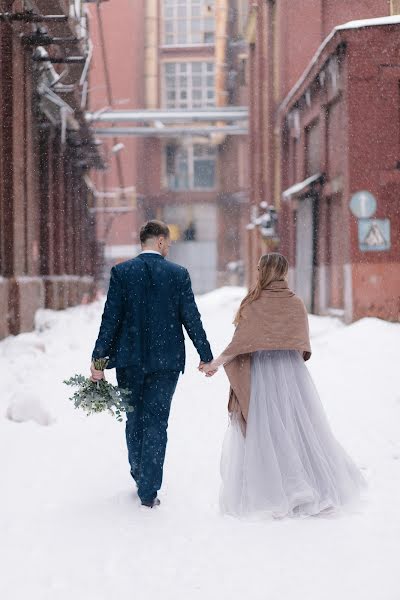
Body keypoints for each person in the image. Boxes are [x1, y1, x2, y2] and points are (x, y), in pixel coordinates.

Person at [200, 253, 366, 518]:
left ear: (263, 271)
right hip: (291, 372)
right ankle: (310, 481)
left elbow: (240, 344)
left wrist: (215, 364)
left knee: (266, 429)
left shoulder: (253, 304)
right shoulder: (295, 303)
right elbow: (299, 341)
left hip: (263, 372)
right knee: (297, 425)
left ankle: (274, 486)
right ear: (283, 273)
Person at [91, 220, 215, 508]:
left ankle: (139, 473)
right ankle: (149, 488)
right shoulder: (178, 274)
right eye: (168, 242)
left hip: (129, 361)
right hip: (166, 363)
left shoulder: (122, 273)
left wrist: (98, 359)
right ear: (159, 241)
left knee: (134, 419)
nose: (169, 247)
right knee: (157, 422)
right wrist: (205, 355)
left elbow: (111, 319)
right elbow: (191, 318)